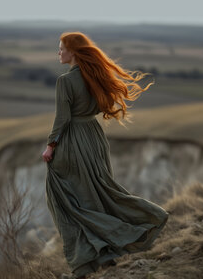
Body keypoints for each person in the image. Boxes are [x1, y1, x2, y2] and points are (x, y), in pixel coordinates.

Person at [42, 32, 169, 279]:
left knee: (67, 200)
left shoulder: (65, 82)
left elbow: (62, 119)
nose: (58, 53)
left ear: (74, 52)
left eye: (60, 49)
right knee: (100, 191)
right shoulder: (95, 76)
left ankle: (90, 258)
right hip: (95, 137)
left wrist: (50, 146)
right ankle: (111, 247)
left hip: (73, 140)